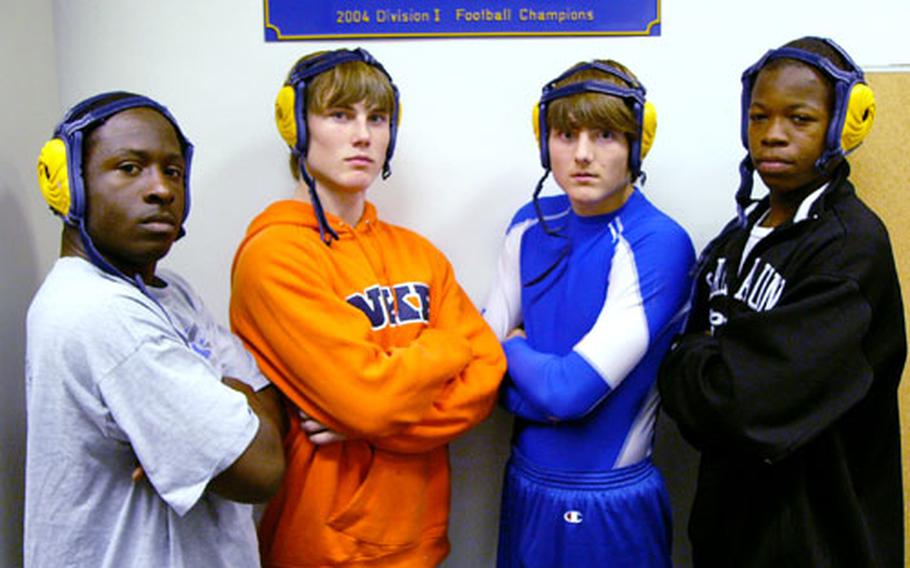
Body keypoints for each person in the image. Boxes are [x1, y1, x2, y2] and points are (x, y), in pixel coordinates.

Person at [229, 48, 506, 567]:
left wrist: (371, 417)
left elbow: (486, 374)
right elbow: (368, 399)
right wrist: (447, 347)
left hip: (421, 538)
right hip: (325, 545)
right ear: (296, 125)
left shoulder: (417, 254)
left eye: (376, 118)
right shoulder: (274, 255)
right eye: (340, 115)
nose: (363, 135)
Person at [657, 37, 905, 567]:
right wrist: (705, 366)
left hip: (818, 543)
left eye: (800, 119)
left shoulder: (848, 249)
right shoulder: (737, 237)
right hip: (730, 534)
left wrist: (697, 359)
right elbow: (697, 403)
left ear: (843, 125)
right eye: (759, 116)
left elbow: (740, 405)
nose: (772, 135)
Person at [25, 92, 285, 567]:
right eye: (129, 167)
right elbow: (260, 468)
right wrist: (219, 415)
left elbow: (269, 406)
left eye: (173, 172)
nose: (161, 189)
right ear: (68, 185)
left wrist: (199, 419)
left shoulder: (171, 292)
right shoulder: (100, 310)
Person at [483, 59, 695, 567]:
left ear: (635, 144)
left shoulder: (657, 242)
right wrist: (538, 393)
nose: (582, 154)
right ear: (544, 141)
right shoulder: (528, 226)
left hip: (609, 498)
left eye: (604, 134)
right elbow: (479, 368)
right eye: (565, 133)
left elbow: (568, 392)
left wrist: (514, 348)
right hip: (526, 485)